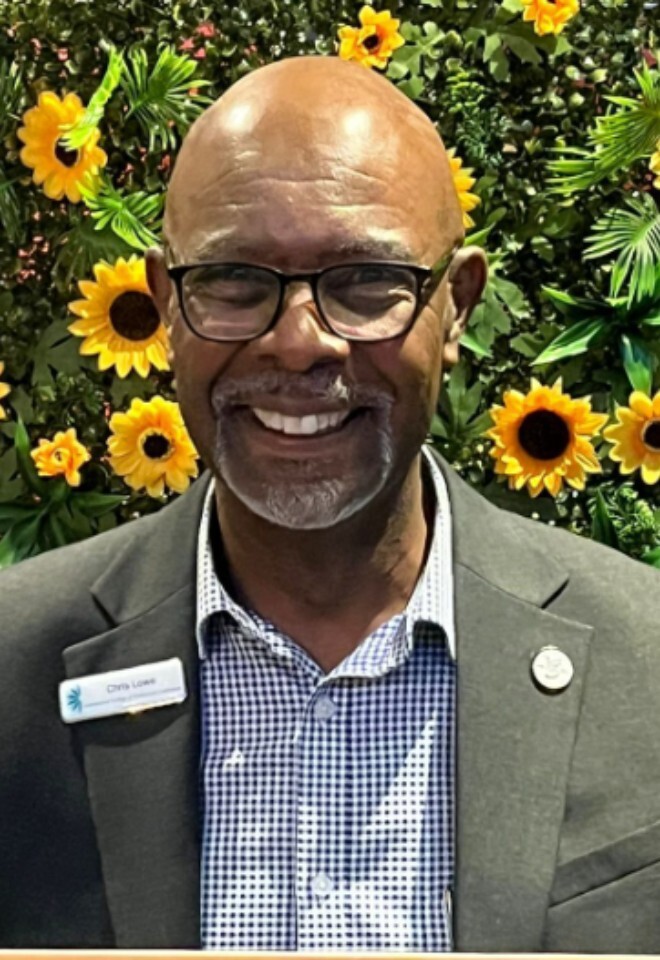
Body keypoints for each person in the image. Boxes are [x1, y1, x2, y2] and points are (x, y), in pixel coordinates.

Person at [1, 55, 660, 953]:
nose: (300, 341)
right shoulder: (14, 674)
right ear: (164, 303)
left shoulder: (646, 664)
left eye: (364, 283)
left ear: (456, 306)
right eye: (234, 280)